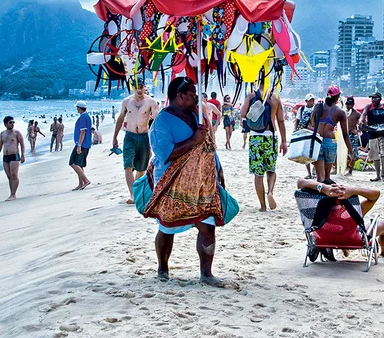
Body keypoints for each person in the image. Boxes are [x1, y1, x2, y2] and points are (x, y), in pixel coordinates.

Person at [149, 76, 225, 286]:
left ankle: (206, 273)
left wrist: (218, 168)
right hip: (171, 180)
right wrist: (193, 140)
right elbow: (165, 153)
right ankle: (163, 269)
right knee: (167, 226)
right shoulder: (161, 122)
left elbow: (208, 145)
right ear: (180, 96)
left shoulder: (197, 115)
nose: (195, 95)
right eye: (191, 92)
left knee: (207, 224)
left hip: (202, 180)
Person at [296, 178, 384, 259]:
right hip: (353, 240)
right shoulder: (349, 210)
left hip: (322, 239)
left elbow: (300, 182)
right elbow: (376, 194)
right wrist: (353, 190)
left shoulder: (314, 210)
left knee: (337, 229)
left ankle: (339, 248)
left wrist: (323, 187)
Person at [240, 85, 288, 212]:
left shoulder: (251, 95)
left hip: (255, 137)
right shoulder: (275, 98)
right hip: (270, 136)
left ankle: (262, 206)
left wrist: (249, 100)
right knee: (271, 169)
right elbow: (281, 121)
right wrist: (284, 141)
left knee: (258, 174)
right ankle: (270, 192)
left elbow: (242, 114)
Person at [113, 82, 159, 204]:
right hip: (130, 136)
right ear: (133, 88)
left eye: (141, 87)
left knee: (141, 168)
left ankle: (137, 191)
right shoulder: (127, 101)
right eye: (136, 88)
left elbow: (157, 119)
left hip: (144, 136)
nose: (139, 90)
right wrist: (115, 137)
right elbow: (121, 118)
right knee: (128, 165)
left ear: (144, 88)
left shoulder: (150, 102)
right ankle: (132, 194)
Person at [309, 85, 353, 182]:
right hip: (330, 142)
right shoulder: (340, 112)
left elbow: (312, 124)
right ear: (337, 97)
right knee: (327, 176)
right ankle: (327, 194)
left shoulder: (318, 106)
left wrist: (317, 112)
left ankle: (320, 195)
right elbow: (346, 135)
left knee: (320, 177)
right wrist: (351, 153)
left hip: (318, 141)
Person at [359, 93, 384, 182]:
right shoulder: (368, 107)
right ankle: (377, 175)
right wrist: (361, 121)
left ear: (380, 99)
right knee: (374, 153)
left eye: (375, 98)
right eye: (372, 98)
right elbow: (363, 114)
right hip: (373, 131)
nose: (373, 100)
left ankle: (383, 172)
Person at [0, 116, 25, 201]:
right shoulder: (2, 134)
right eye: (10, 122)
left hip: (14, 155)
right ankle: (11, 193)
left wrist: (22, 155)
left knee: (14, 175)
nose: (12, 124)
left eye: (13, 122)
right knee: (9, 176)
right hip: (5, 157)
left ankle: (13, 194)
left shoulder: (17, 133)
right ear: (5, 124)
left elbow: (22, 144)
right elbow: (0, 146)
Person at [70, 101, 92, 191]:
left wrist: (79, 145)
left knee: (72, 162)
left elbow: (83, 131)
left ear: (79, 108)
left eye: (77, 108)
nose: (76, 109)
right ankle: (80, 183)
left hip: (82, 143)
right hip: (85, 143)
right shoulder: (87, 116)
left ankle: (85, 180)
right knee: (79, 164)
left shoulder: (83, 117)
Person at [294, 94, 316, 178]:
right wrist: (295, 130)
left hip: (313, 133)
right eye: (310, 100)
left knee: (314, 152)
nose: (312, 102)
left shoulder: (315, 108)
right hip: (304, 133)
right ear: (306, 101)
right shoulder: (302, 109)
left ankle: (314, 169)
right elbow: (297, 121)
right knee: (305, 152)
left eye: (313, 100)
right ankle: (309, 173)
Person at [344, 96, 361, 177]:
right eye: (347, 104)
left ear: (353, 105)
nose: (348, 106)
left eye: (350, 104)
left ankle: (350, 171)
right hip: (344, 134)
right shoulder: (343, 112)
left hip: (352, 135)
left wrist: (357, 130)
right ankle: (337, 168)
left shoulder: (356, 114)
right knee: (340, 152)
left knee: (352, 153)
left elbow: (363, 123)